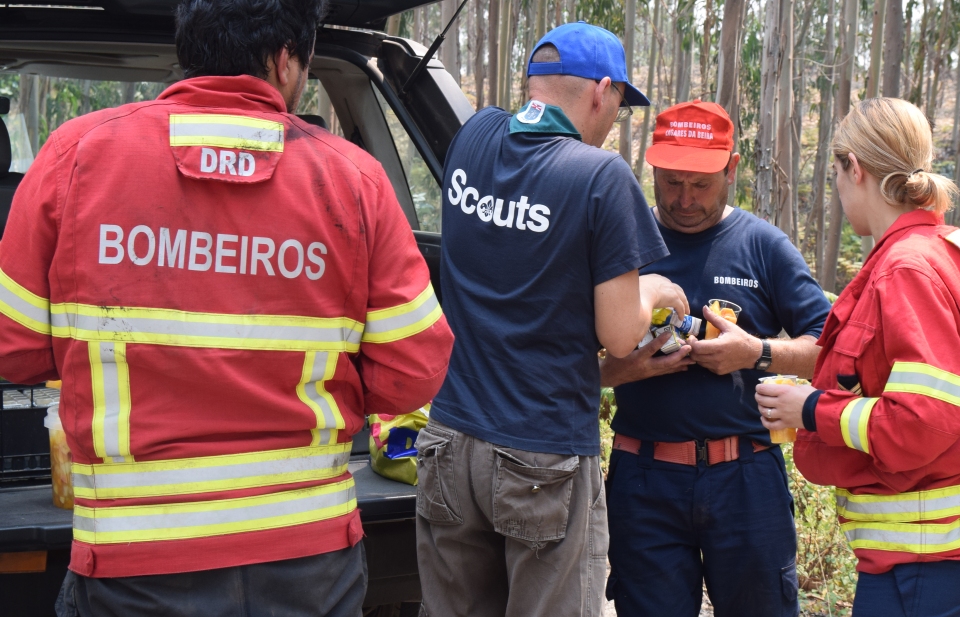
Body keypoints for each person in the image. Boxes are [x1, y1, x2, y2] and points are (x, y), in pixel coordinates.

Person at [0, 0, 454, 614]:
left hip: (136, 563)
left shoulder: (74, 157)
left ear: (190, 47)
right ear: (288, 61)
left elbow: (18, 352)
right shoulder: (356, 179)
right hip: (309, 558)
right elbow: (416, 370)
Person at [415, 22, 686, 617]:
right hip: (542, 457)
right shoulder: (599, 175)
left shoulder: (476, 135)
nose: (615, 118)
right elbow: (619, 335)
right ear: (601, 91)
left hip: (449, 442)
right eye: (619, 103)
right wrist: (656, 288)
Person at [756, 98, 960, 617]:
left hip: (920, 554)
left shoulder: (905, 269)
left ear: (855, 170)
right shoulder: (949, 248)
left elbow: (923, 418)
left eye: (837, 177)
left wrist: (809, 409)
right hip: (948, 542)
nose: (839, 192)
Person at [600, 99, 832, 617]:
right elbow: (565, 360)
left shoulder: (764, 246)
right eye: (671, 181)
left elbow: (832, 349)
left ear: (731, 169)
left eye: (700, 184)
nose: (683, 199)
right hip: (643, 478)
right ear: (652, 168)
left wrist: (757, 352)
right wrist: (621, 370)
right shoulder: (620, 243)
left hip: (746, 477)